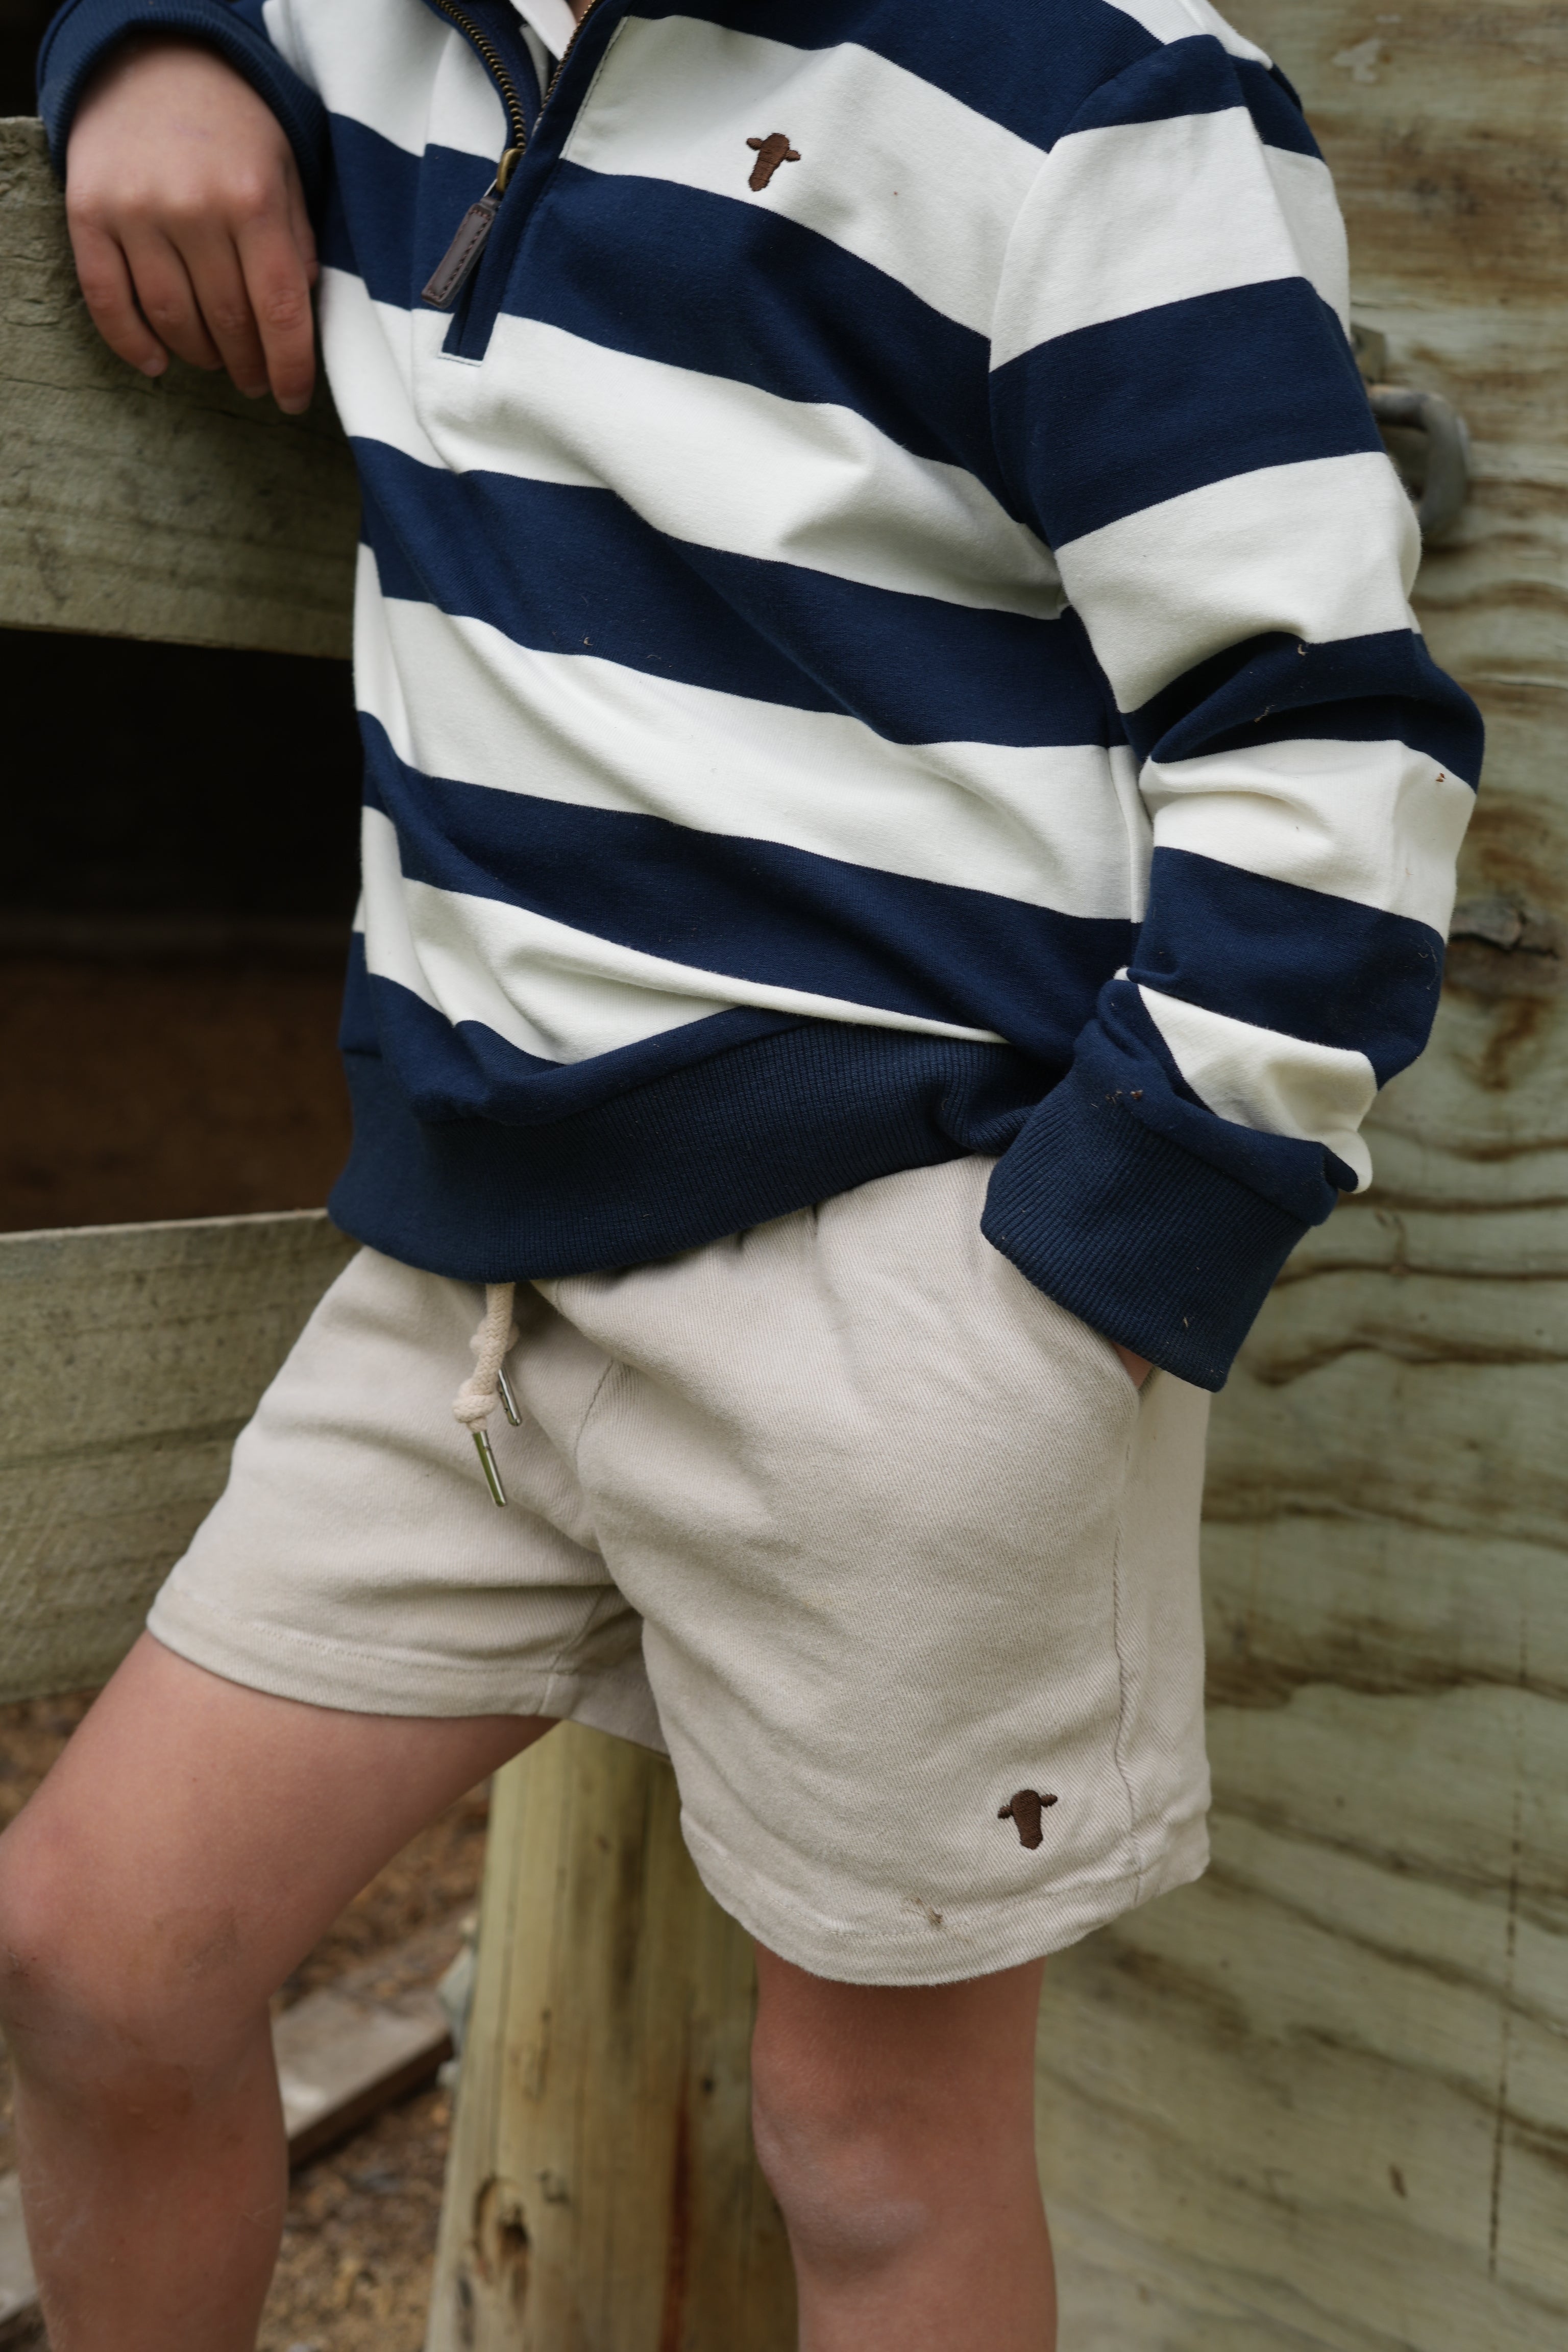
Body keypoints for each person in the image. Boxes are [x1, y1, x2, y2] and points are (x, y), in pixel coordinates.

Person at [0, 0, 1482, 2343]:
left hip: (907, 1276)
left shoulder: (1092, 91)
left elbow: (1327, 745)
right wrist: (147, 45)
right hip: (471, 1280)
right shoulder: (364, 24)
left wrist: (1083, 1290)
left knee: (871, 2155)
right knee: (91, 1955)